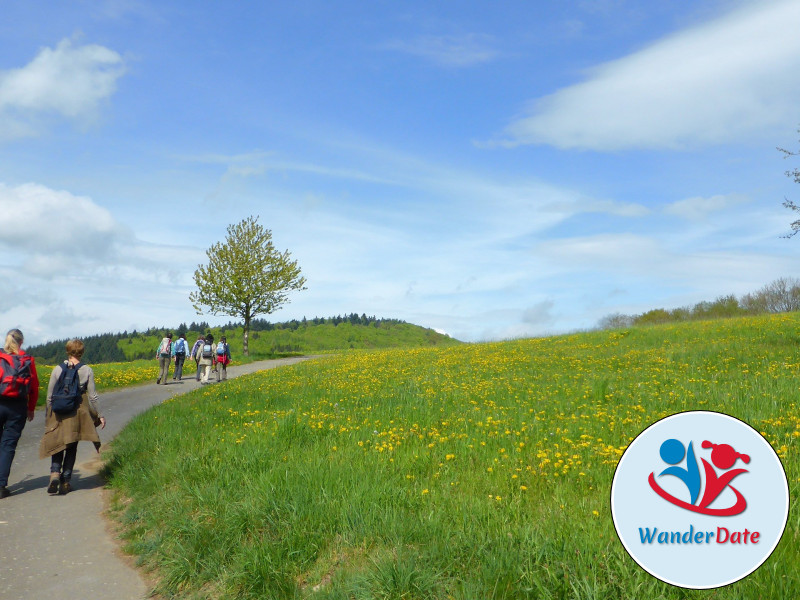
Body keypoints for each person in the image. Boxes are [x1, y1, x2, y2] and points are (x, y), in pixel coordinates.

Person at [39, 339, 106, 495]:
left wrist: (48, 416)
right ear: (81, 352)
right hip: (76, 411)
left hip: (58, 412)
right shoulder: (87, 370)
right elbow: (93, 396)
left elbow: (49, 396)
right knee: (71, 446)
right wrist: (100, 415)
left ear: (67, 351)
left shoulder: (57, 369)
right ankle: (66, 481)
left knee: (58, 442)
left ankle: (55, 473)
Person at [0, 329, 39, 499]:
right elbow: (34, 387)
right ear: (21, 342)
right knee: (8, 446)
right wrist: (30, 408)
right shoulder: (27, 360)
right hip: (18, 407)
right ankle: (1, 486)